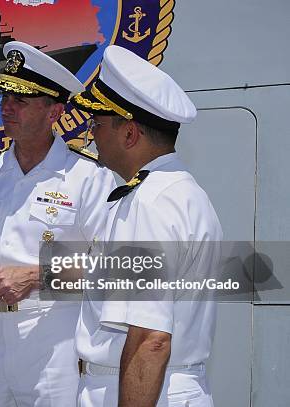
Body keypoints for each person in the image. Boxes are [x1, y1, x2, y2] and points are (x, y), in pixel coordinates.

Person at [0, 41, 116, 406]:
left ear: (54, 112)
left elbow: (110, 263)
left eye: (20, 100)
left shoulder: (87, 177)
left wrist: (35, 276)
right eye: (5, 97)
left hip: (54, 337)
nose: (7, 108)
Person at [70, 45, 222, 406]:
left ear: (129, 134)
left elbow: (150, 339)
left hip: (141, 390)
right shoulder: (183, 192)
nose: (92, 133)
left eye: (98, 123)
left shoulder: (147, 203)